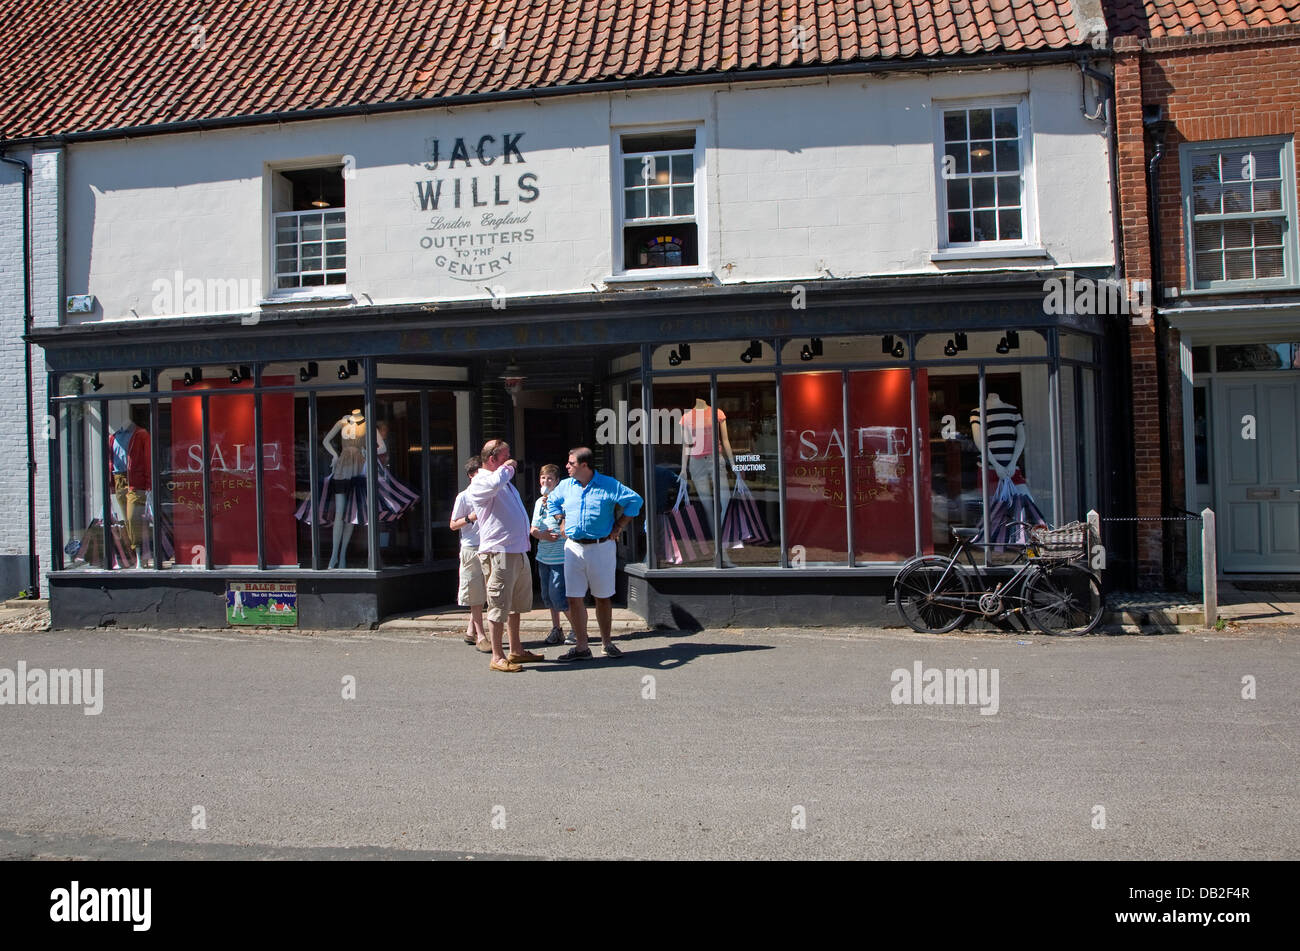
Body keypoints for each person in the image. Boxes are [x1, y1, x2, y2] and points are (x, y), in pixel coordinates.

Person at [548, 446, 643, 661]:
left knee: (602, 597)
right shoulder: (565, 485)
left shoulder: (608, 484)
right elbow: (552, 502)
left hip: (601, 547)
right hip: (573, 547)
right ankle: (582, 646)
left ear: (584, 465)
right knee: (574, 598)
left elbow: (635, 500)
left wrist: (619, 525)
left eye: (571, 463)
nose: (567, 466)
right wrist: (560, 520)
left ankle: (606, 643)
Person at [466, 439, 542, 673]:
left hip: (517, 551)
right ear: (492, 459)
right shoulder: (481, 482)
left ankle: (516, 650)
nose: (512, 460)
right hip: (498, 552)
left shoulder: (503, 482)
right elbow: (496, 481)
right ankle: (497, 656)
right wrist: (507, 467)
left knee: (515, 605)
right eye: (506, 456)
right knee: (498, 605)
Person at [449, 456, 489, 651]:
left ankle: (471, 631)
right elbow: (453, 524)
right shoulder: (463, 497)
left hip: (489, 547)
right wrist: (470, 518)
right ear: (471, 475)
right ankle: (480, 634)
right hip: (471, 548)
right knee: (475, 593)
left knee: (485, 592)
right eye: (479, 473)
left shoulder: (489, 494)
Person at [531, 464, 572, 645]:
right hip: (543, 556)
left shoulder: (563, 501)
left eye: (549, 478)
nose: (545, 481)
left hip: (560, 557)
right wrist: (542, 534)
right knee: (547, 596)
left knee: (559, 596)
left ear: (556, 482)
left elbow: (568, 527)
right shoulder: (539, 503)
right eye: (543, 478)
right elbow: (533, 528)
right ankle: (557, 629)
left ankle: (578, 630)